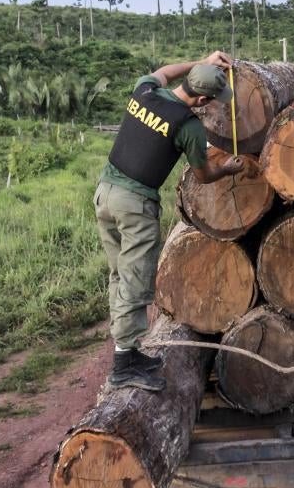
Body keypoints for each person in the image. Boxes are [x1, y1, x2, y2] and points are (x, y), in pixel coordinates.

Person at [94, 52, 244, 391]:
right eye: (212, 100)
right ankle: (123, 365)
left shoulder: (146, 91)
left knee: (120, 273)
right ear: (203, 99)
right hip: (134, 203)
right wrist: (228, 169)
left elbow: (162, 72)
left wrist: (199, 63)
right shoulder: (188, 125)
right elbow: (204, 175)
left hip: (105, 192)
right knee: (135, 279)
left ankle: (127, 351)